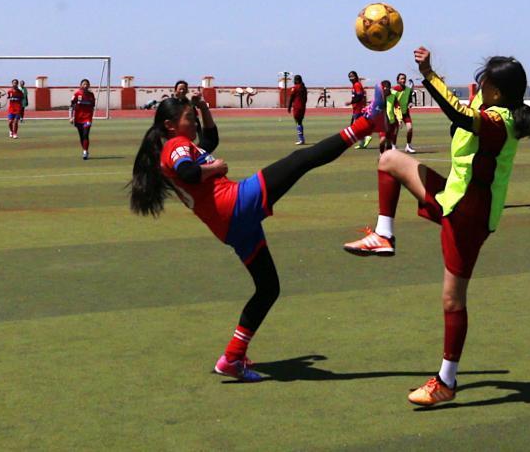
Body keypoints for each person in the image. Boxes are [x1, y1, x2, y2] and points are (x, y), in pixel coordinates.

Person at [129, 91, 389, 382]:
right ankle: (367, 123)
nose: (195, 123)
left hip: (229, 225)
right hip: (234, 204)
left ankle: (232, 357)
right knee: (300, 160)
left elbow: (210, 141)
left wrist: (203, 109)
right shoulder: (175, 145)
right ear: (170, 125)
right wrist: (214, 168)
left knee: (268, 288)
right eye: (190, 118)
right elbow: (189, 173)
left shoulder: (182, 144)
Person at [342, 46, 530, 406]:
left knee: (452, 299)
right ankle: (384, 234)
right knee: (390, 160)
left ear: (497, 92)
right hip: (452, 198)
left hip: (469, 217)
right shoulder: (490, 106)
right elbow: (461, 115)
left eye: (484, 81)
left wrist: (429, 74)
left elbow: (459, 114)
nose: (478, 85)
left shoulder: (500, 122)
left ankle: (446, 381)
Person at [70, 78, 96, 159]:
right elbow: (71, 106)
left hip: (87, 118)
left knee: (85, 134)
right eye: (84, 84)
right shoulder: (77, 94)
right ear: (80, 85)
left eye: (87, 84)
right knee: (81, 136)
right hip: (78, 118)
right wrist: (71, 117)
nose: (85, 85)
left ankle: (84, 152)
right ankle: (85, 150)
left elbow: (92, 106)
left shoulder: (91, 95)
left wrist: (90, 115)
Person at [345, 71, 371, 149]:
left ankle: (366, 137)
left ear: (356, 76)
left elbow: (359, 96)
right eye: (349, 77)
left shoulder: (357, 85)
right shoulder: (356, 85)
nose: (351, 78)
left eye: (352, 76)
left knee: (355, 126)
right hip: (357, 108)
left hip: (358, 109)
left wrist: (350, 102)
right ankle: (362, 143)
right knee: (357, 125)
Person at [392, 73, 417, 153]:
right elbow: (391, 101)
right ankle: (393, 146)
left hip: (405, 112)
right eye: (401, 79)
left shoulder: (408, 90)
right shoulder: (394, 90)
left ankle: (408, 146)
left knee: (410, 128)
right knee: (395, 130)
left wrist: (410, 103)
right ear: (398, 80)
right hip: (396, 113)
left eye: (404, 78)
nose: (403, 80)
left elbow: (410, 100)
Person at [287, 74, 308, 145]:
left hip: (297, 107)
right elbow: (305, 98)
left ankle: (301, 139)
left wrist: (289, 107)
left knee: (298, 122)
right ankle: (302, 138)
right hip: (303, 107)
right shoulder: (304, 88)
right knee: (300, 122)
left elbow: (291, 98)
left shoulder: (295, 88)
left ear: (296, 80)